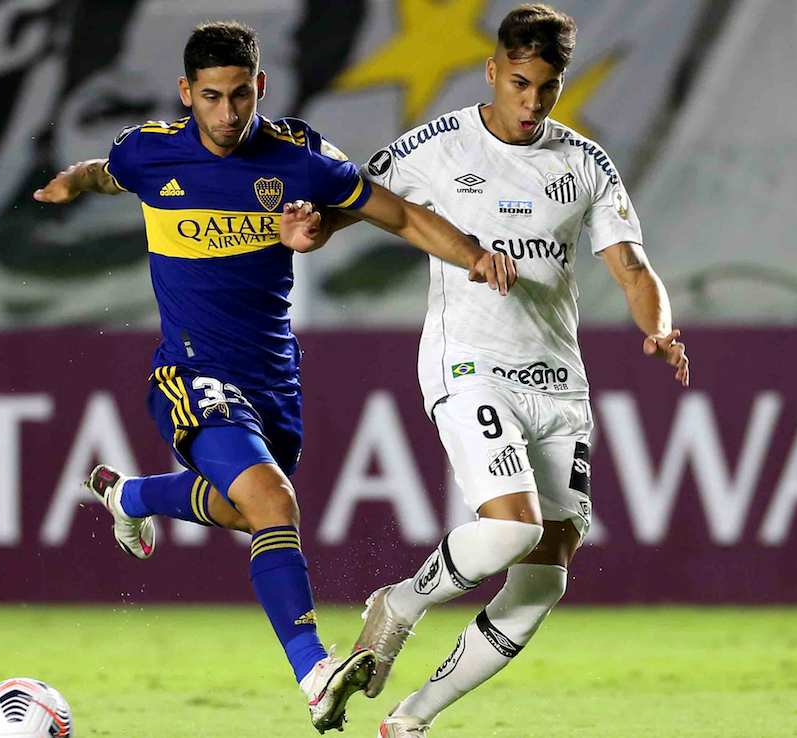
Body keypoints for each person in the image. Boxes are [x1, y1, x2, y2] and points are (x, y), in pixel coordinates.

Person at [32, 20, 516, 734]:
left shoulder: (301, 160)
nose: (227, 114)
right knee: (272, 500)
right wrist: (73, 181)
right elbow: (111, 172)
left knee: (244, 510)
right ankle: (316, 673)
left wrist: (471, 254)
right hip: (191, 371)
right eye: (211, 98)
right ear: (186, 94)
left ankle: (127, 495)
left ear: (260, 85)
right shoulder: (151, 152)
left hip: (273, 382)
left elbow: (403, 213)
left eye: (239, 96)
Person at [276, 4, 691, 735]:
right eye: (521, 83)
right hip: (469, 365)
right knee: (510, 530)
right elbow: (361, 203)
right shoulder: (438, 144)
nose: (532, 103)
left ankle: (408, 720)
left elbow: (631, 266)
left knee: (543, 578)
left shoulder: (584, 162)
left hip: (558, 382)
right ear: (493, 71)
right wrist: (311, 228)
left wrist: (658, 327)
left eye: (548, 88)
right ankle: (398, 604)